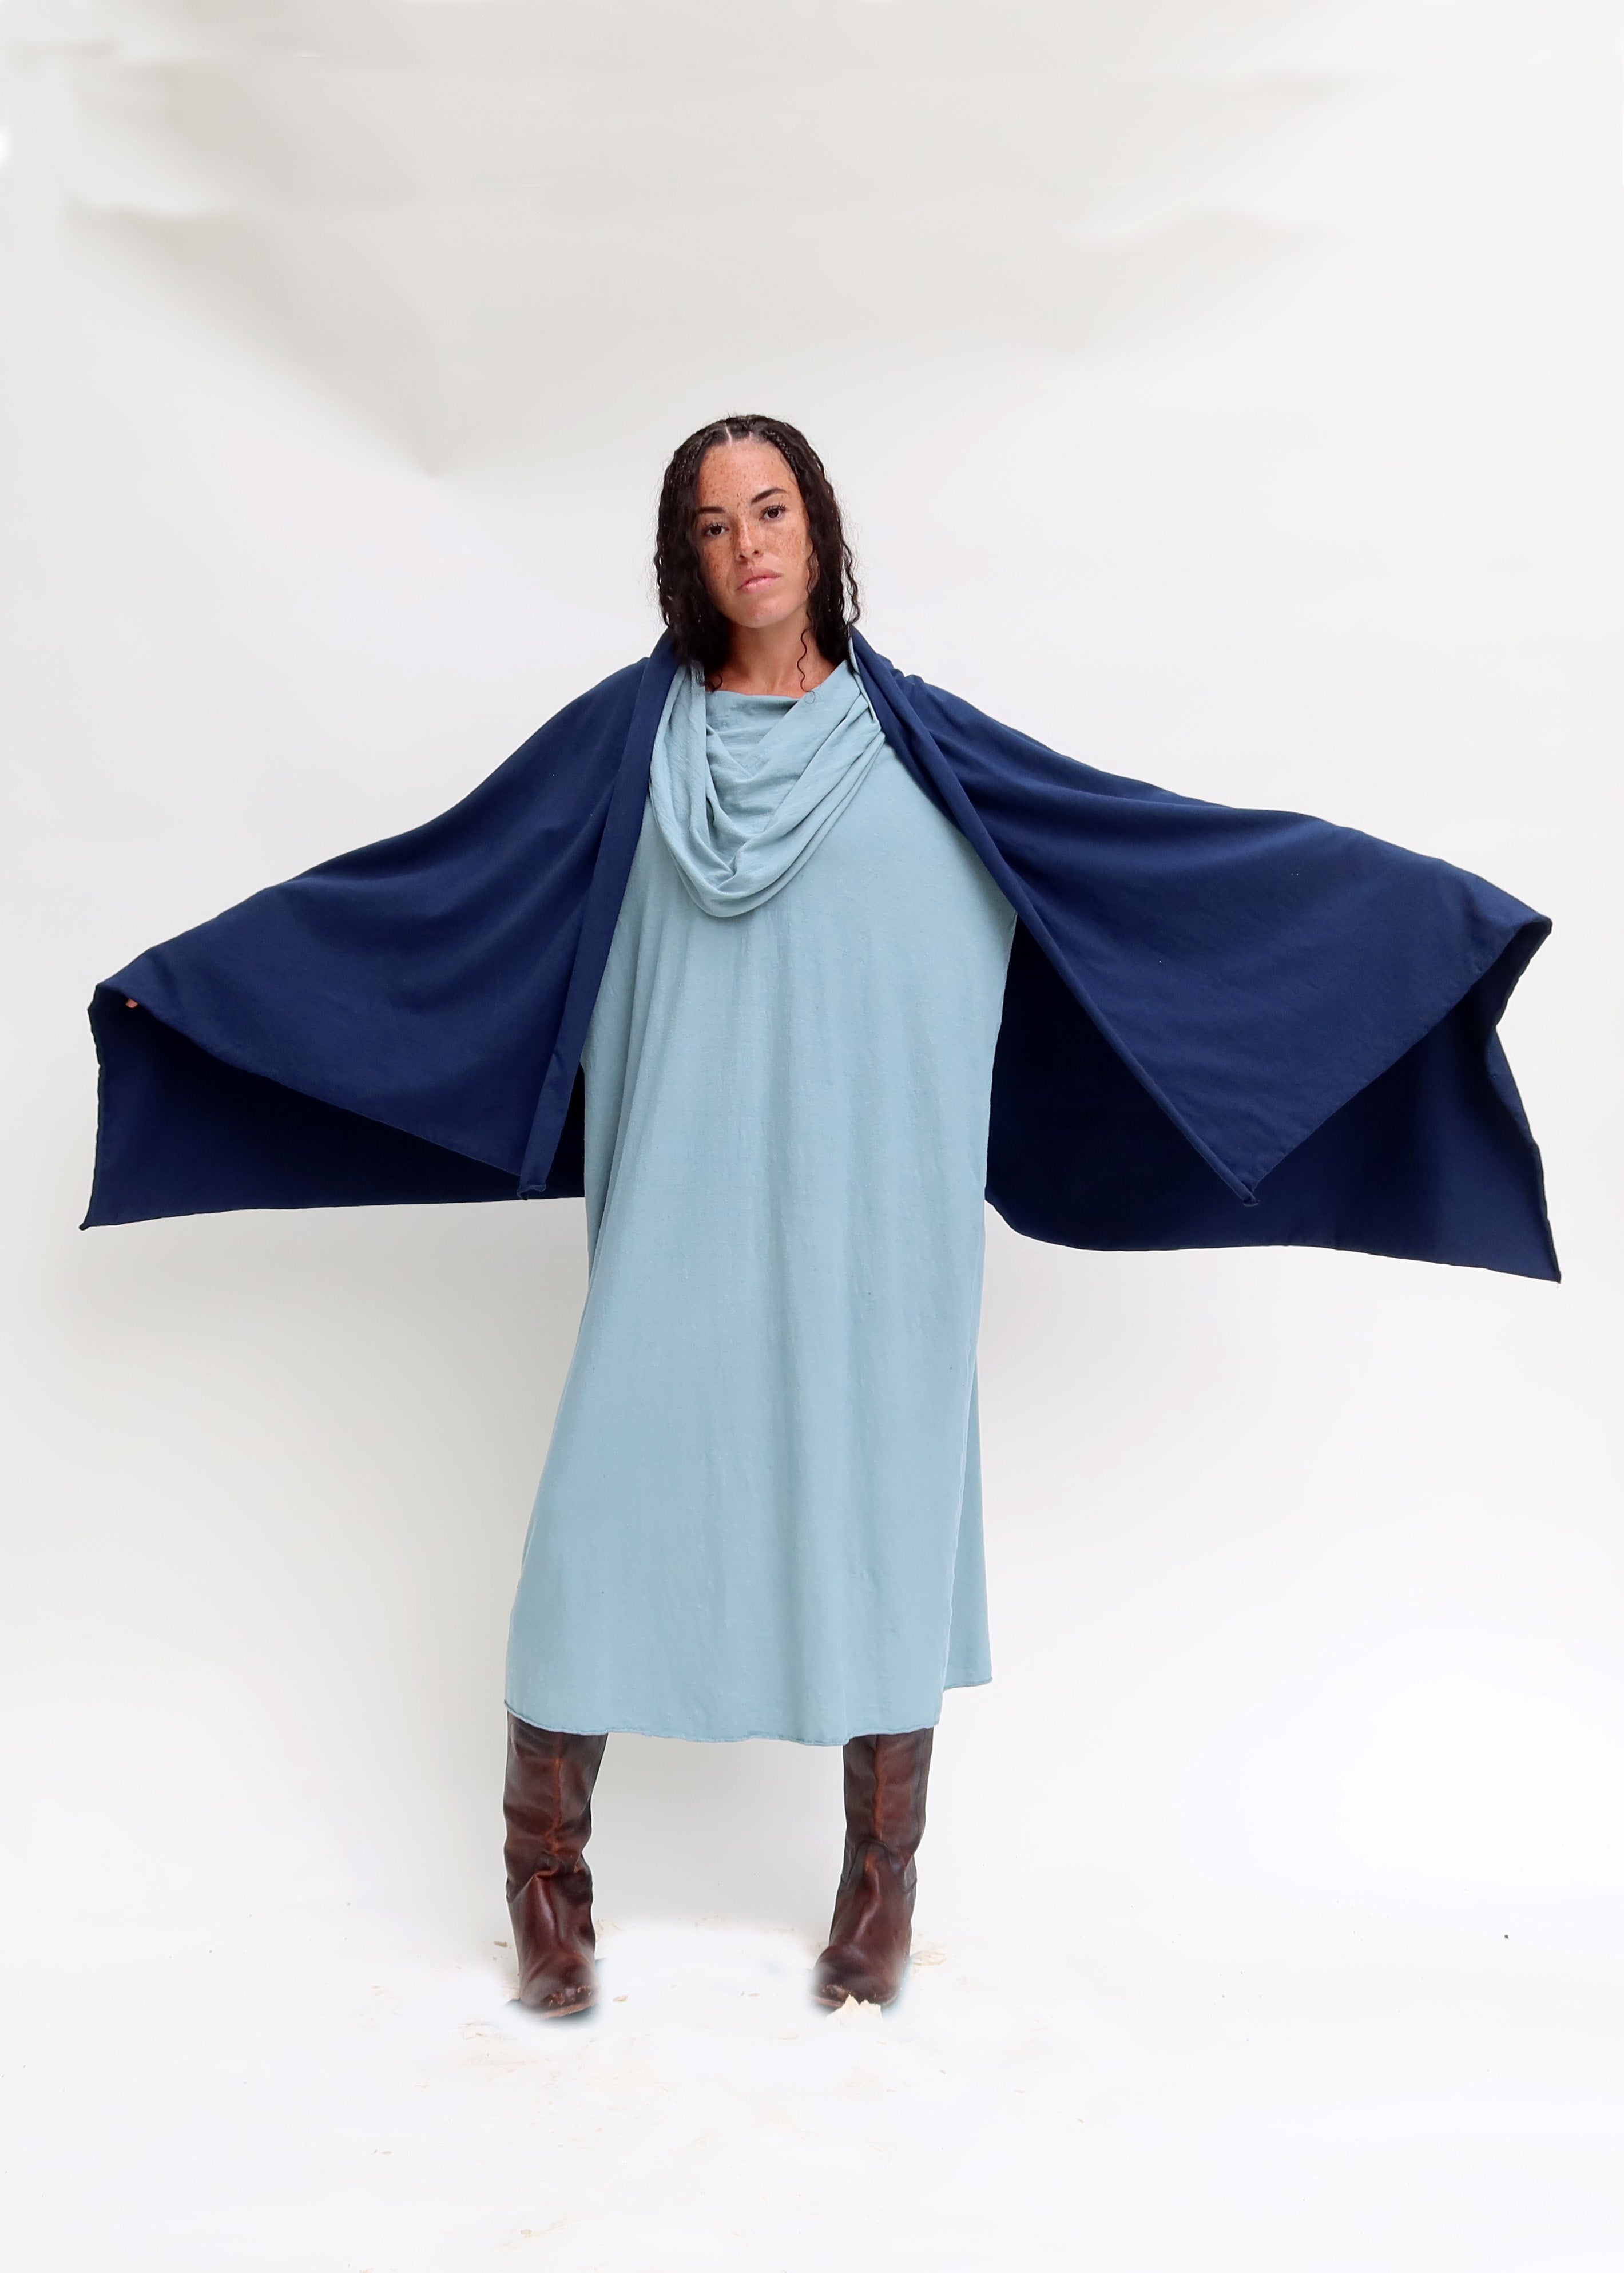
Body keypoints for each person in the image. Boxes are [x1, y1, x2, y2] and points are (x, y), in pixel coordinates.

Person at [85, 416, 1556, 2021]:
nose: (750, 547)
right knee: (604, 1516)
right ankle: (545, 1877)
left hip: (881, 1220)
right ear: (686, 557)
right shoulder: (627, 750)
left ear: (821, 527)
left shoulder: (926, 755)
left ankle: (879, 1885)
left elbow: (1152, 865)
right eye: (715, 524)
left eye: (772, 510)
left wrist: (1407, 929)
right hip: (679, 1204)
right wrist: (209, 994)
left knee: (882, 1505)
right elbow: (435, 897)